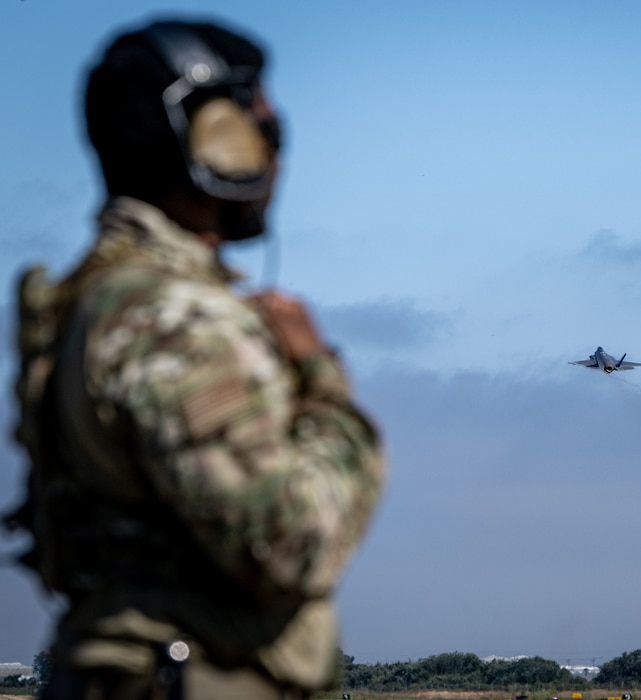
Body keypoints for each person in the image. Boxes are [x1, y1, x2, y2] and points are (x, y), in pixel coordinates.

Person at [5, 18, 385, 699]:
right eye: (263, 131)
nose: (276, 158)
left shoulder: (88, 302)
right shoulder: (176, 321)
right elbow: (292, 544)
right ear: (208, 137)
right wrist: (321, 377)